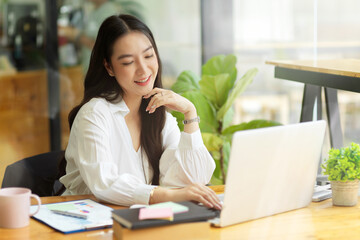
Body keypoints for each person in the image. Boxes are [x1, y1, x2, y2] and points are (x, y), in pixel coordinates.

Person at [59, 14, 221, 210]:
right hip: (85, 222)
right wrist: (169, 195)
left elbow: (191, 181)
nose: (143, 70)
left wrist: (190, 112)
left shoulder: (160, 118)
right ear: (109, 67)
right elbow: (105, 183)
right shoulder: (94, 114)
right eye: (128, 62)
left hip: (136, 220)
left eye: (148, 56)